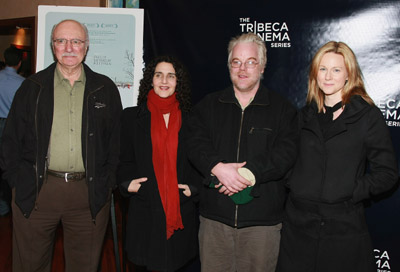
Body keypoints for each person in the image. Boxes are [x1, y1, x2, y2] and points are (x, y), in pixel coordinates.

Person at [0, 19, 122, 272]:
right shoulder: (32, 87)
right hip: (36, 193)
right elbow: (10, 140)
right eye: (61, 41)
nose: (69, 47)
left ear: (86, 46)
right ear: (52, 45)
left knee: (85, 266)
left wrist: (107, 182)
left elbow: (116, 143)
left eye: (76, 41)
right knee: (29, 266)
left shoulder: (105, 88)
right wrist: (16, 181)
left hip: (88, 195)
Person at [276, 41, 398, 272]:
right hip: (298, 229)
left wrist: (351, 189)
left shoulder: (367, 116)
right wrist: (298, 184)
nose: (328, 76)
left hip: (343, 229)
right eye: (322, 69)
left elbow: (388, 173)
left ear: (348, 75)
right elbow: (287, 160)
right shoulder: (304, 116)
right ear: (314, 74)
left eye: (336, 69)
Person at [186, 32, 298, 272]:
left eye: (251, 61)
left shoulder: (283, 110)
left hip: (262, 228)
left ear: (263, 66)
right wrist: (217, 168)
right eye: (236, 61)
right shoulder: (208, 106)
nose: (243, 68)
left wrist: (245, 175)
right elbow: (194, 142)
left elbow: (285, 153)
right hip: (214, 224)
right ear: (229, 66)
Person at [117, 56, 199, 272]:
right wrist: (127, 184)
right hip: (145, 208)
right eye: (158, 74)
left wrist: (194, 188)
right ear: (150, 80)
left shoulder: (192, 120)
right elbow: (122, 159)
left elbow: (201, 160)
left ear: (178, 82)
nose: (164, 80)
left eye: (171, 76)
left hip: (180, 210)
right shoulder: (131, 117)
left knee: (176, 264)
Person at [0, 46, 24, 216]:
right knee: (8, 166)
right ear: (20, 63)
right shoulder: (22, 83)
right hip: (11, 127)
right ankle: (4, 206)